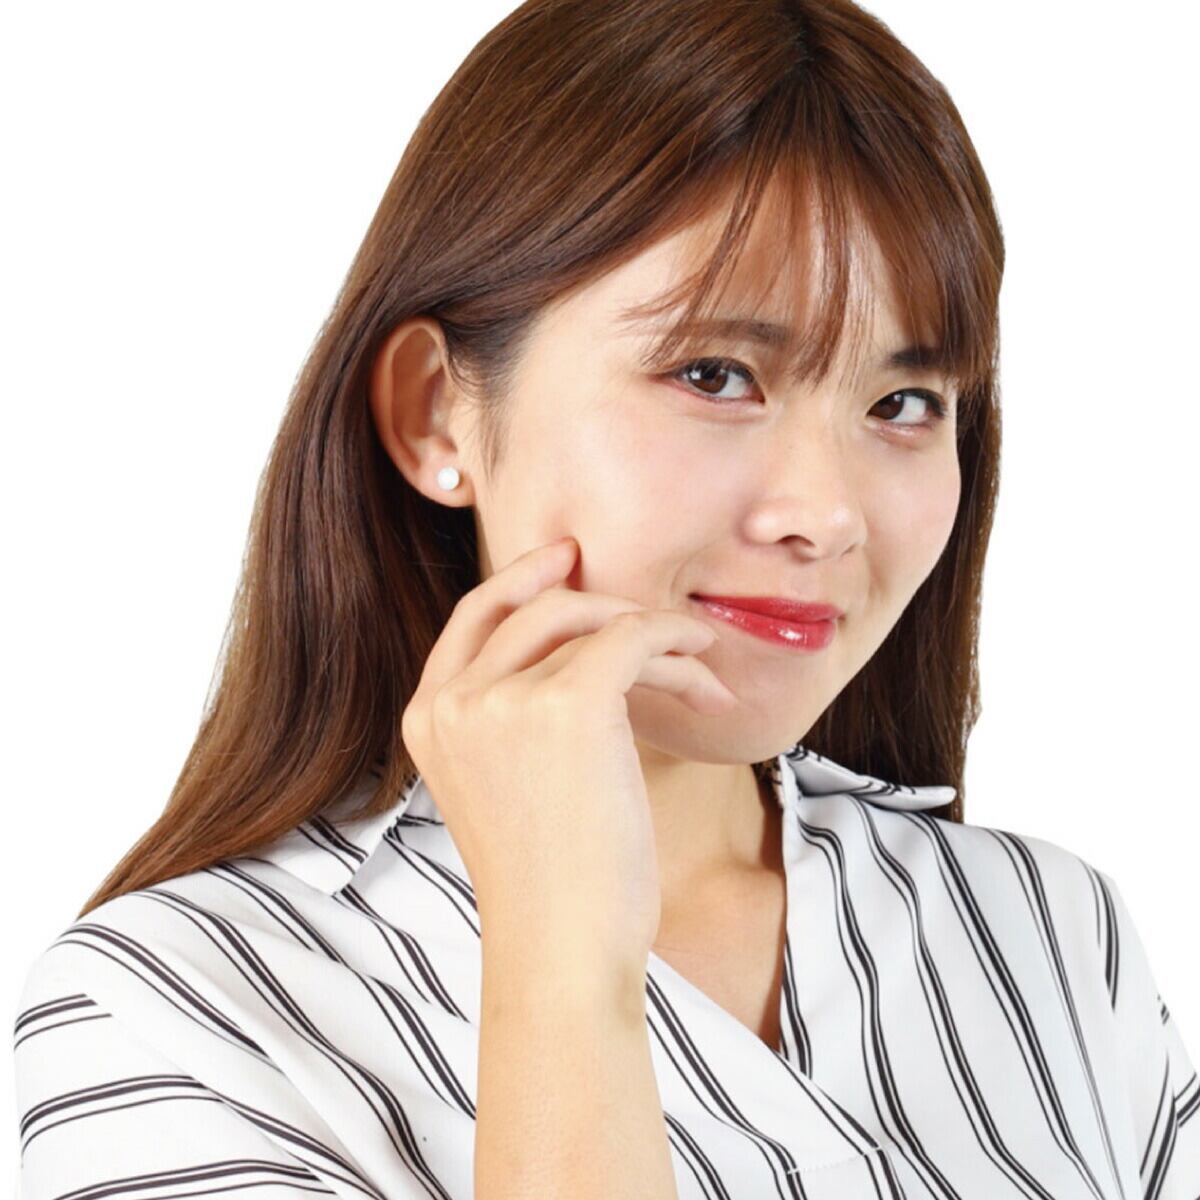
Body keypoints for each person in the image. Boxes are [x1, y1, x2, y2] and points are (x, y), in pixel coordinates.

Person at [12, 0, 1198, 1196]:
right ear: (437, 414)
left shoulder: (1050, 936)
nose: (826, 513)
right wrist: (561, 960)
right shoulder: (169, 1017)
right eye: (715, 375)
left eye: (903, 405)